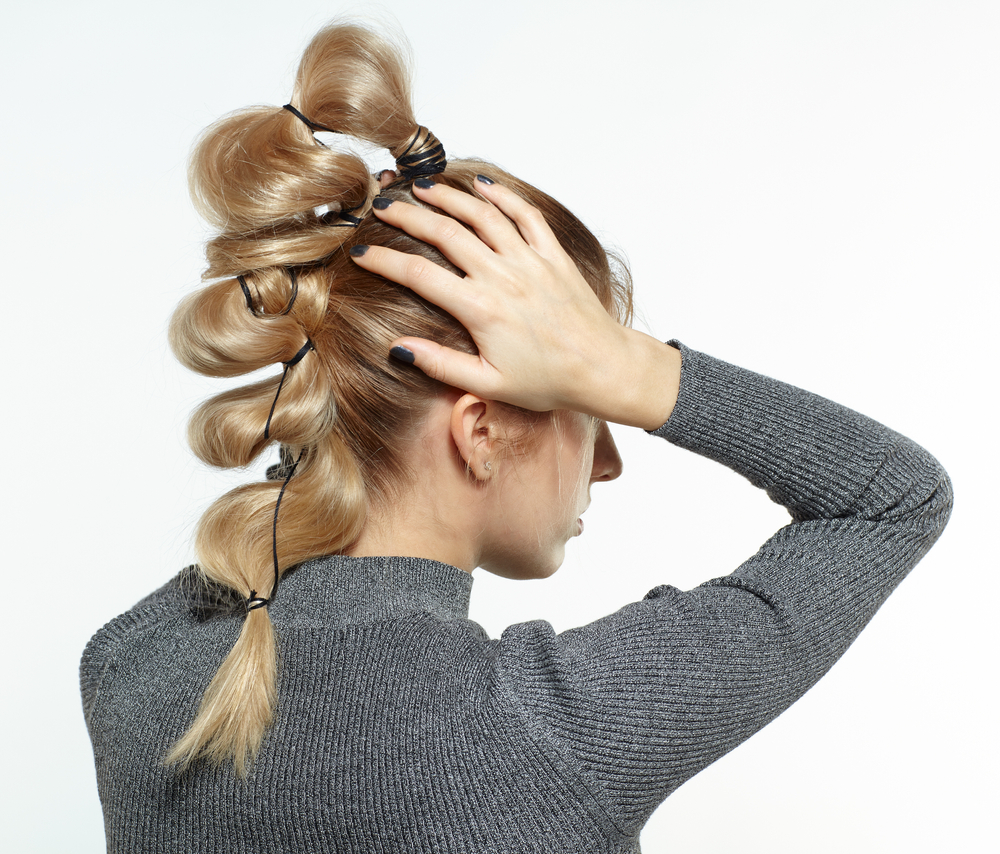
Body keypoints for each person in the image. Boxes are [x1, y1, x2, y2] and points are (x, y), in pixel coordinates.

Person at [80, 21, 952, 853]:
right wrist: (634, 369)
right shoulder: (547, 731)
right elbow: (892, 500)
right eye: (590, 406)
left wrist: (335, 339)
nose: (610, 461)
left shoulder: (131, 667)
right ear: (481, 428)